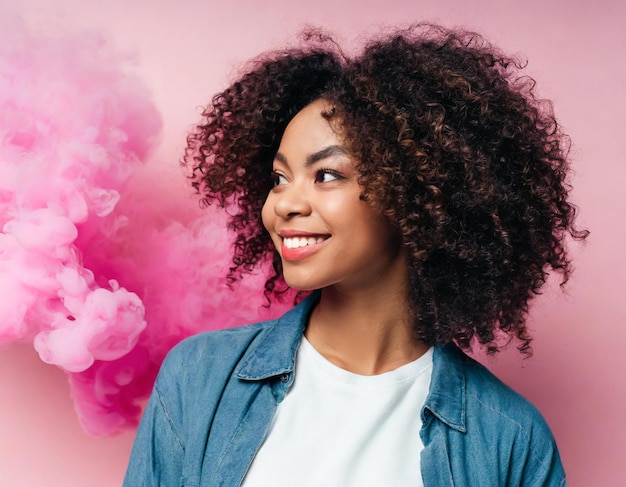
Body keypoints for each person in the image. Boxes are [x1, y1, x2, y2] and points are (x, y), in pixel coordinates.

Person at [124, 23, 587, 486]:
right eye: (279, 178)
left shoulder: (509, 439)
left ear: (414, 194)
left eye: (326, 175)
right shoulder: (199, 379)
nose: (284, 203)